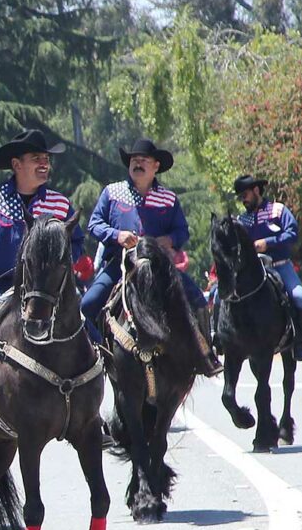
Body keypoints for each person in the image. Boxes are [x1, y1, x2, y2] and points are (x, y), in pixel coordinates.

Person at [80, 138, 221, 376]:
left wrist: (171, 240)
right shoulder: (112, 193)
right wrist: (117, 235)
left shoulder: (168, 198)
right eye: (134, 160)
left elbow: (182, 230)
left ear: (156, 166)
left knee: (196, 298)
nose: (137, 164)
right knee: (87, 304)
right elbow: (94, 224)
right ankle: (96, 354)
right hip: (121, 264)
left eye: (143, 160)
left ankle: (205, 355)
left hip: (160, 267)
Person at [0, 128, 84, 351]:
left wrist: (57, 267)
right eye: (36, 159)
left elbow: (76, 244)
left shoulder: (59, 205)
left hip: (46, 291)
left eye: (46, 159)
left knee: (90, 336)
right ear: (16, 164)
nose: (44, 164)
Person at [233, 174, 302, 361]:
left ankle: (301, 341)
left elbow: (292, 233)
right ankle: (224, 339)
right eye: (240, 197)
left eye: (245, 194)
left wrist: (267, 243)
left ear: (256, 190)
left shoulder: (278, 210)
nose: (243, 199)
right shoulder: (241, 219)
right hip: (253, 270)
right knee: (225, 296)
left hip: (280, 265)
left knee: (301, 298)